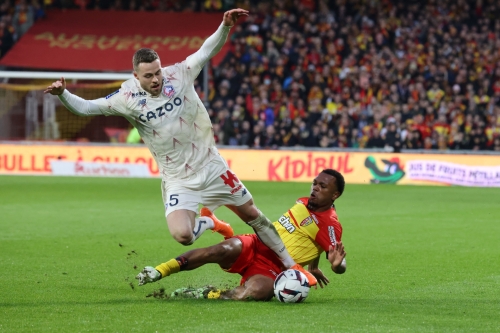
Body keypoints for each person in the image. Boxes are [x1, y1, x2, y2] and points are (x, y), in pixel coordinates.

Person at [43, 8, 314, 284]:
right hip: (177, 179)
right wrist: (63, 94)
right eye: (148, 76)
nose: (156, 79)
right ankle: (211, 222)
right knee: (182, 236)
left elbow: (205, 52)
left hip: (211, 166)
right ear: (136, 76)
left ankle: (292, 266)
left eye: (157, 72)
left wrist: (225, 27)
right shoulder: (126, 96)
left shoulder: (179, 74)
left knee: (253, 215)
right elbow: (88, 108)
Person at [136, 169, 347, 301]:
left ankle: (208, 293)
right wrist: (313, 266)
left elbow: (335, 256)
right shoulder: (304, 201)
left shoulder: (330, 223)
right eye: (314, 183)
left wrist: (337, 266)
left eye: (322, 186)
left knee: (256, 292)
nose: (314, 189)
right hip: (256, 244)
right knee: (218, 250)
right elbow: (315, 240)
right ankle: (160, 270)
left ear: (335, 195)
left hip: (276, 268)